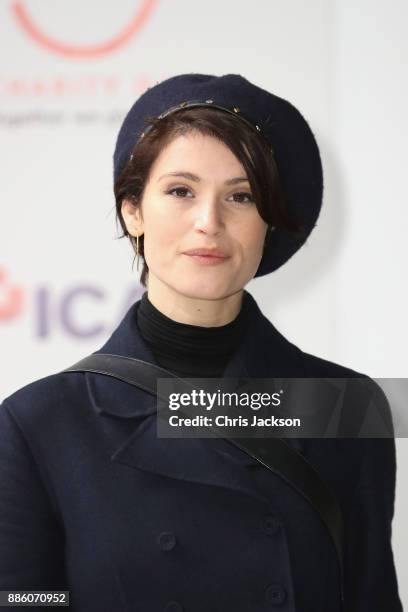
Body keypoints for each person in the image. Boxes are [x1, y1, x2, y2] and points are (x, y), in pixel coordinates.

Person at [0, 73, 402, 612]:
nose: (209, 223)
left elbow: (370, 598)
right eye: (180, 191)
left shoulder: (342, 406)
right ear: (133, 210)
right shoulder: (39, 422)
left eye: (241, 196)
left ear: (269, 225)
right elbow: (24, 599)